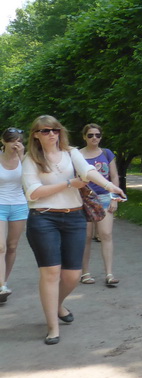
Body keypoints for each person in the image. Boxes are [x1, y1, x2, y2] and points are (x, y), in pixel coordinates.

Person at [21, 115, 126, 344]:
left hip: (75, 218)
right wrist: (69, 184)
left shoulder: (71, 153)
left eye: (55, 130)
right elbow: (33, 193)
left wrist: (110, 187)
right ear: (36, 135)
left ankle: (56, 305)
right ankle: (52, 327)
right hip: (43, 219)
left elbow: (88, 172)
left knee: (72, 276)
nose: (52, 134)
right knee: (51, 273)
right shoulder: (31, 159)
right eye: (46, 131)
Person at [78, 124, 121, 287]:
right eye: (90, 135)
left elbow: (114, 176)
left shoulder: (107, 153)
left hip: (104, 197)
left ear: (101, 137)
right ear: (84, 137)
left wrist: (114, 198)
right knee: (86, 237)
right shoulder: (78, 155)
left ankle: (109, 274)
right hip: (85, 198)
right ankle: (85, 273)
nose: (94, 138)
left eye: (97, 135)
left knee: (106, 234)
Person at [0, 128, 28, 303]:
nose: (15, 144)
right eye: (11, 140)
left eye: (18, 140)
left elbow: (31, 180)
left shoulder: (24, 159)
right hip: (0, 204)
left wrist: (22, 156)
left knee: (11, 246)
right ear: (3, 142)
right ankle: (1, 285)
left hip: (19, 205)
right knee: (0, 246)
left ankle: (4, 280)